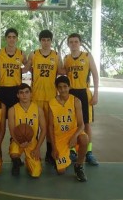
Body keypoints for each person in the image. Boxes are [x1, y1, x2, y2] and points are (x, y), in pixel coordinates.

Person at [24, 29, 63, 164]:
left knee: (49, 126)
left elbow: (61, 71)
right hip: (36, 96)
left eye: (48, 40)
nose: (46, 42)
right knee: (35, 126)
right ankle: (33, 151)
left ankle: (49, 152)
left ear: (51, 41)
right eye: (43, 40)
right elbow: (26, 68)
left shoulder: (56, 55)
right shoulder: (34, 54)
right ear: (40, 41)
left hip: (51, 96)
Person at [63, 33, 99, 166]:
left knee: (86, 123)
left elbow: (95, 75)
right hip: (70, 93)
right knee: (71, 123)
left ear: (80, 43)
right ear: (68, 44)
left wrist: (96, 93)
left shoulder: (87, 56)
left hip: (84, 92)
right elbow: (62, 73)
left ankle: (88, 152)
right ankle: (72, 150)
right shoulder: (66, 58)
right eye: (71, 42)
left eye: (76, 41)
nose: (73, 44)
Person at [49, 76, 89, 182]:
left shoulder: (76, 101)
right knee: (61, 172)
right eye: (60, 87)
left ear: (69, 87)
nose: (63, 89)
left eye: (65, 86)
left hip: (73, 132)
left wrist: (75, 136)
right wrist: (53, 148)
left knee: (85, 139)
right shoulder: (51, 103)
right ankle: (64, 157)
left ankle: (79, 166)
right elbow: (50, 127)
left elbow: (81, 125)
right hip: (60, 136)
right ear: (57, 88)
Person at [8, 83, 46, 177]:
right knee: (14, 151)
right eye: (21, 93)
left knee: (35, 173)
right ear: (17, 95)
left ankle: (29, 161)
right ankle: (16, 162)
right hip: (17, 141)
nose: (24, 95)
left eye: (26, 92)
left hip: (32, 142)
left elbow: (44, 129)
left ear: (31, 94)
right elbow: (12, 130)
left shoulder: (38, 109)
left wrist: (37, 148)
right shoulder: (12, 110)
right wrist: (18, 142)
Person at [0, 28, 27, 112]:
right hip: (2, 88)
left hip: (16, 89)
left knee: (15, 116)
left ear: (17, 38)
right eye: (9, 37)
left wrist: (21, 71)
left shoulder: (21, 53)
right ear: (6, 38)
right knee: (1, 116)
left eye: (14, 37)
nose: (11, 39)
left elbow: (28, 66)